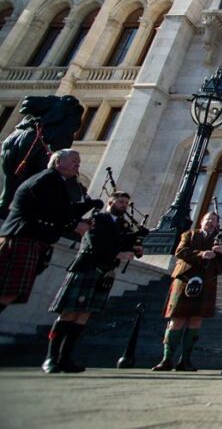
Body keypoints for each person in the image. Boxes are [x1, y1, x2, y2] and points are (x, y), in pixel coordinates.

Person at [43, 191, 142, 373]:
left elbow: (123, 243)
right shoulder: (98, 218)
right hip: (88, 268)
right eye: (120, 202)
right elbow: (95, 242)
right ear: (110, 202)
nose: (124, 206)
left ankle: (66, 358)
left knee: (83, 316)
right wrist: (117, 253)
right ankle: (51, 357)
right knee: (69, 314)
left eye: (126, 203)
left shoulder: (123, 224)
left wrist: (134, 247)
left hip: (104, 272)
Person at [0, 149, 98, 316]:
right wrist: (74, 225)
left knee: (10, 292)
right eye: (74, 160)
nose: (78, 164)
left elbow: (62, 209)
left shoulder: (55, 181)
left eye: (78, 160)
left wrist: (86, 211)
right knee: (9, 292)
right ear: (58, 162)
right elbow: (52, 210)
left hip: (28, 238)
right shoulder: (49, 179)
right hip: (23, 237)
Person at [153, 211, 222, 371]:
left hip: (207, 278)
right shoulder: (189, 234)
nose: (211, 222)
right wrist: (201, 254)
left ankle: (185, 360)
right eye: (208, 219)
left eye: (214, 220)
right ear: (201, 221)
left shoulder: (221, 237)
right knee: (177, 319)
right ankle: (166, 359)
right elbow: (180, 251)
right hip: (185, 278)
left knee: (196, 320)